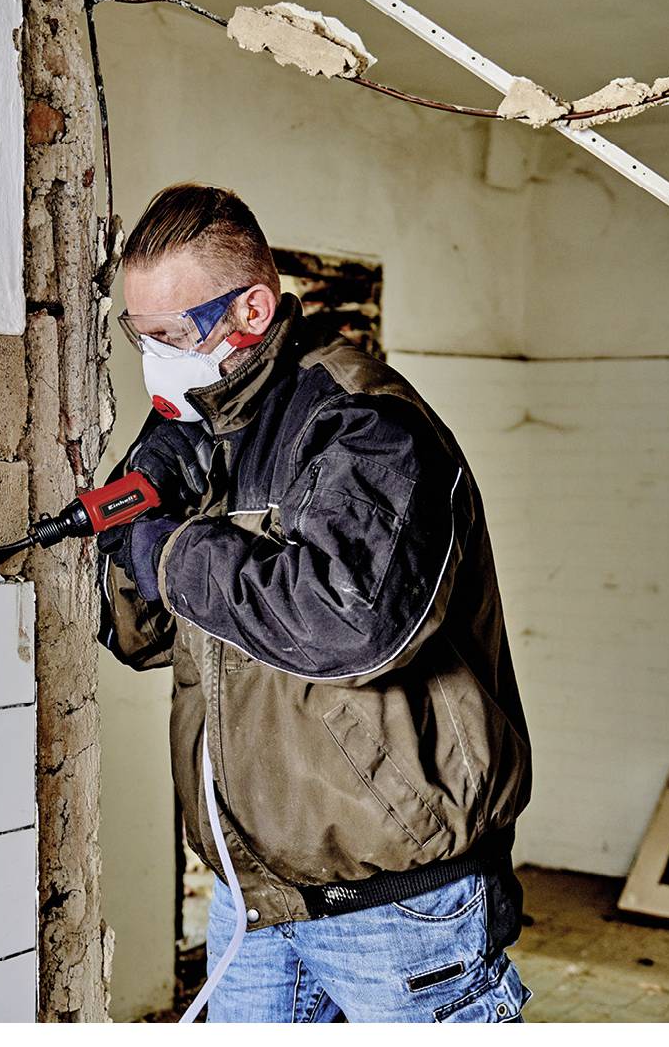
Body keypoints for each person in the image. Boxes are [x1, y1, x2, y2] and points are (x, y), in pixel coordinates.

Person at [97, 182, 534, 1023]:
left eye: (170, 335)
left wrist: (176, 547)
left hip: (395, 911)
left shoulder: (366, 427)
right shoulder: (202, 432)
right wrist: (145, 493)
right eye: (137, 334)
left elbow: (345, 624)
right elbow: (140, 636)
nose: (155, 356)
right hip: (253, 900)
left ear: (252, 308)